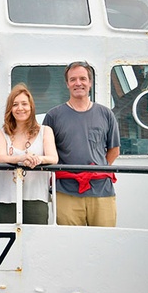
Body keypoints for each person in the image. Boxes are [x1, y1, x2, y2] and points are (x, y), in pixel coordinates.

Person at [43, 61, 120, 227]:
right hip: (66, 192)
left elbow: (114, 150)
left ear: (90, 83)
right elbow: (47, 152)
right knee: (70, 244)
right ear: (67, 84)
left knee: (104, 242)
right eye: (73, 79)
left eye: (83, 79)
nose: (78, 83)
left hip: (102, 192)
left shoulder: (106, 114)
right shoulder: (53, 116)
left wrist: (97, 170)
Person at [0, 83, 58, 224]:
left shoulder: (45, 131)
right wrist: (22, 158)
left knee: (36, 240)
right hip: (7, 197)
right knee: (8, 239)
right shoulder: (2, 133)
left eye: (24, 104)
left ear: (31, 107)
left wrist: (37, 159)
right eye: (15, 104)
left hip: (36, 195)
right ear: (10, 109)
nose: (20, 108)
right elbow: (0, 157)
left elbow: (53, 158)